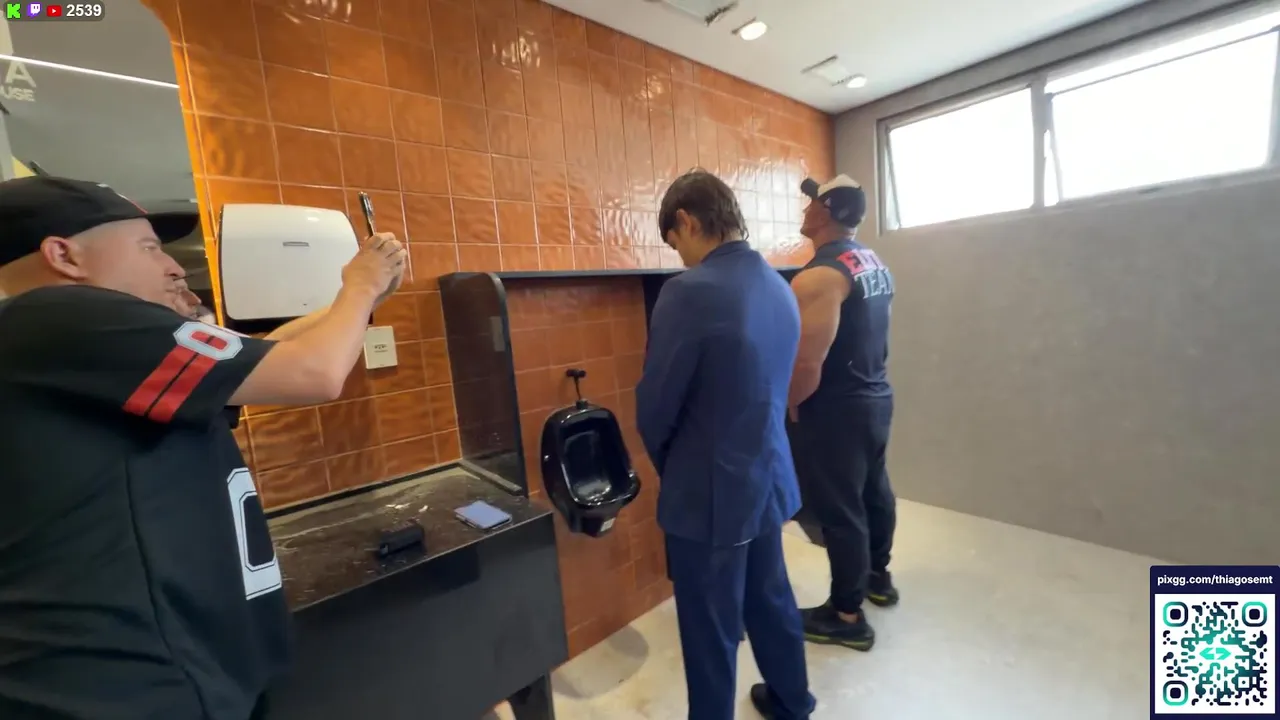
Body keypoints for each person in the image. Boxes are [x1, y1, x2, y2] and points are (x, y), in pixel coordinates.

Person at [0, 176, 406, 720]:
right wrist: (359, 288)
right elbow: (315, 373)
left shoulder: (69, 345)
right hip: (127, 687)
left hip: (150, 676)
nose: (174, 267)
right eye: (149, 248)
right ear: (63, 255)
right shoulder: (54, 314)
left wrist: (361, 296)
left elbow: (262, 354)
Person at [636, 170, 815, 720]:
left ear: (686, 221)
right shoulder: (778, 285)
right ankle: (791, 701)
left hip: (710, 495)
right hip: (768, 480)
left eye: (676, 244)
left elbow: (655, 407)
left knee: (710, 632)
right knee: (770, 598)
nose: (681, 258)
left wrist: (675, 471)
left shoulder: (687, 292)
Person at [786, 174, 899, 651]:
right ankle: (877, 576)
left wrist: (791, 404)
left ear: (826, 212)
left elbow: (808, 363)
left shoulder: (818, 277)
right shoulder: (872, 262)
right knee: (874, 490)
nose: (805, 209)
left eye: (812, 202)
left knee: (841, 508)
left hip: (838, 408)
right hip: (874, 397)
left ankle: (847, 614)